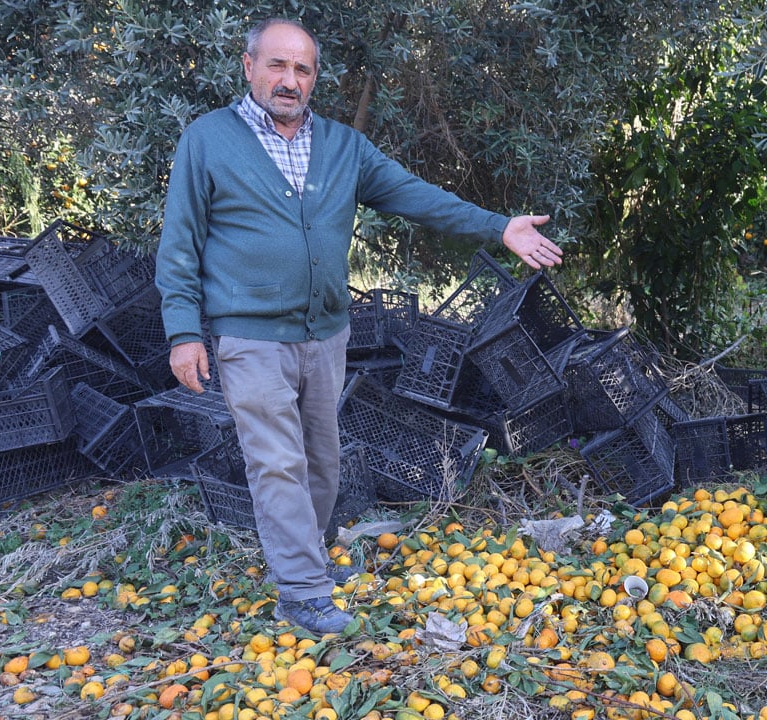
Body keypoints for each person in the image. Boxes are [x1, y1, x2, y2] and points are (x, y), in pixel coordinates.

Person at [155, 17, 562, 634]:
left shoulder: (343, 147)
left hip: (325, 335)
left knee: (323, 460)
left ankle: (307, 560)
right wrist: (183, 332)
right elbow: (180, 244)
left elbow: (413, 193)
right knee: (276, 463)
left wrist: (497, 226)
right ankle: (302, 593)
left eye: (302, 69)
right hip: (251, 336)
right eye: (277, 65)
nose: (289, 80)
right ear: (248, 66)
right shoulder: (208, 141)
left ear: (314, 78)